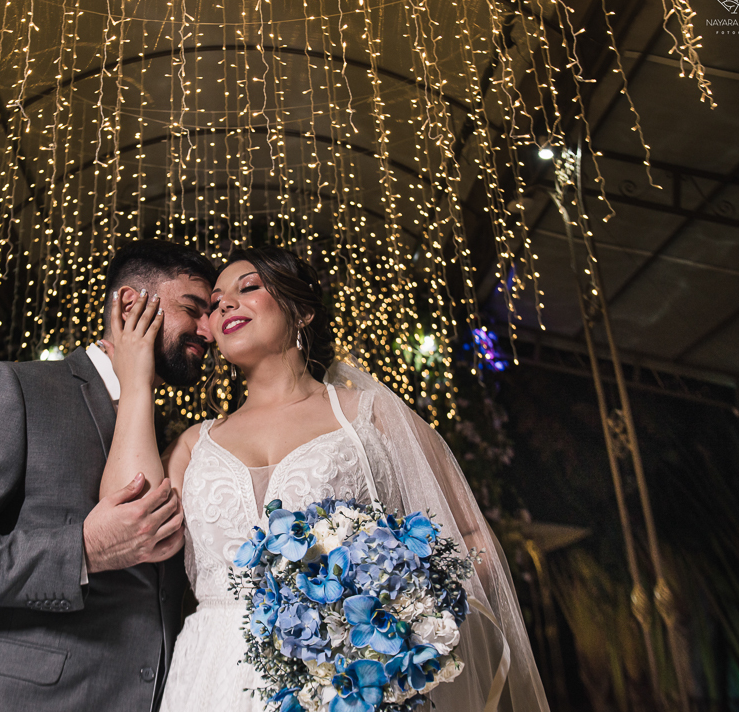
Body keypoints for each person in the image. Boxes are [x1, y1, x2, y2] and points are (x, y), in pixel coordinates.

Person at [100, 245, 550, 712]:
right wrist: (137, 380)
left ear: (302, 312)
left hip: (343, 679)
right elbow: (125, 514)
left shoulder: (370, 420)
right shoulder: (195, 444)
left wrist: (413, 615)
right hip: (210, 676)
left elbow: (472, 535)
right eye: (214, 303)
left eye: (248, 287)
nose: (226, 303)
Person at [0, 239, 217, 711]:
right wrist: (84, 550)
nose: (209, 330)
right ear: (129, 303)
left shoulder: (169, 432)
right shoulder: (20, 389)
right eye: (193, 309)